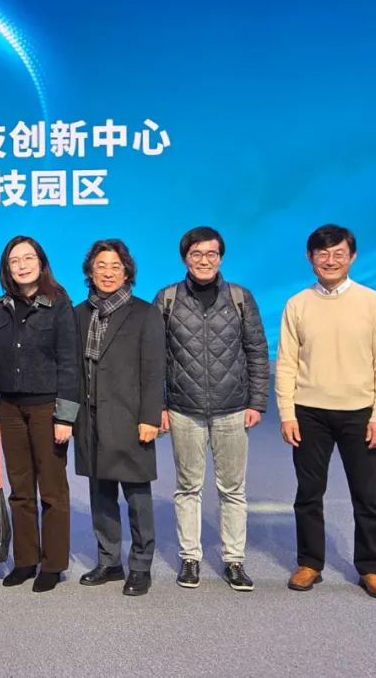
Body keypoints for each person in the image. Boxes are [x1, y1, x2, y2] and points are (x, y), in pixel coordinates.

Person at [276, 224, 376, 599]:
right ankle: (309, 563)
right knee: (308, 493)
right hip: (309, 413)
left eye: (338, 254)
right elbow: (286, 363)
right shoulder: (297, 304)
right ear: (310, 257)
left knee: (367, 494)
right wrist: (287, 413)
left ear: (352, 257)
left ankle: (372, 568)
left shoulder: (373, 302)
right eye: (322, 254)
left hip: (359, 413)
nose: (330, 261)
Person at [153, 226, 269, 591]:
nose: (204, 261)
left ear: (220, 257)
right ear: (184, 258)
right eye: (196, 254)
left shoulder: (240, 297)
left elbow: (256, 351)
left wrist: (257, 402)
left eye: (211, 254)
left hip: (233, 409)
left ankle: (234, 560)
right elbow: (154, 358)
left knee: (232, 489)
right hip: (183, 409)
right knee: (188, 487)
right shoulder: (167, 299)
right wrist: (159, 405)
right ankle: (190, 557)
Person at [73, 239, 165, 597]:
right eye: (101, 266)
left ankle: (141, 566)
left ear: (127, 272)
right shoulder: (80, 314)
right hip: (91, 420)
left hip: (130, 419)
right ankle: (109, 561)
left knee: (137, 498)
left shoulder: (144, 313)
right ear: (90, 271)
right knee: (101, 496)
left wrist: (150, 417)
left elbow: (154, 370)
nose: (108, 273)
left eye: (115, 266)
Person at [0, 236, 80, 593]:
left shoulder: (59, 304)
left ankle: (53, 564)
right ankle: (25, 560)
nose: (22, 265)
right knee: (20, 488)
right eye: (15, 261)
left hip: (47, 408)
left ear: (41, 263)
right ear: (6, 268)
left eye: (29, 258)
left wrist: (65, 416)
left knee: (52, 490)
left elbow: (69, 362)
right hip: (10, 408)